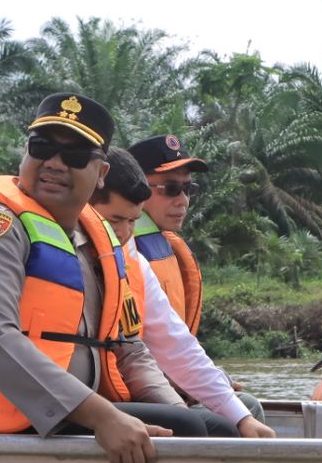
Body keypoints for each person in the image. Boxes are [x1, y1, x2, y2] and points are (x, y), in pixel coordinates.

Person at [0, 92, 214, 463]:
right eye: (42, 146)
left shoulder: (94, 238)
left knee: (203, 426)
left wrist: (177, 412)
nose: (54, 162)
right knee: (186, 426)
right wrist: (104, 418)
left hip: (65, 418)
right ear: (25, 153)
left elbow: (128, 345)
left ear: (100, 174)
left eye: (75, 155)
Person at [90, 148, 277, 438]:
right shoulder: (71, 255)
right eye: (171, 188)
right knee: (195, 425)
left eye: (132, 222)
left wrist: (236, 414)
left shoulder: (129, 259)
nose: (125, 234)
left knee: (238, 415)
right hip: (73, 400)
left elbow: (170, 344)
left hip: (125, 388)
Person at [127, 133, 208, 333]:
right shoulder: (121, 245)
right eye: (171, 188)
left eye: (188, 188)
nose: (183, 200)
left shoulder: (162, 242)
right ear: (136, 188)